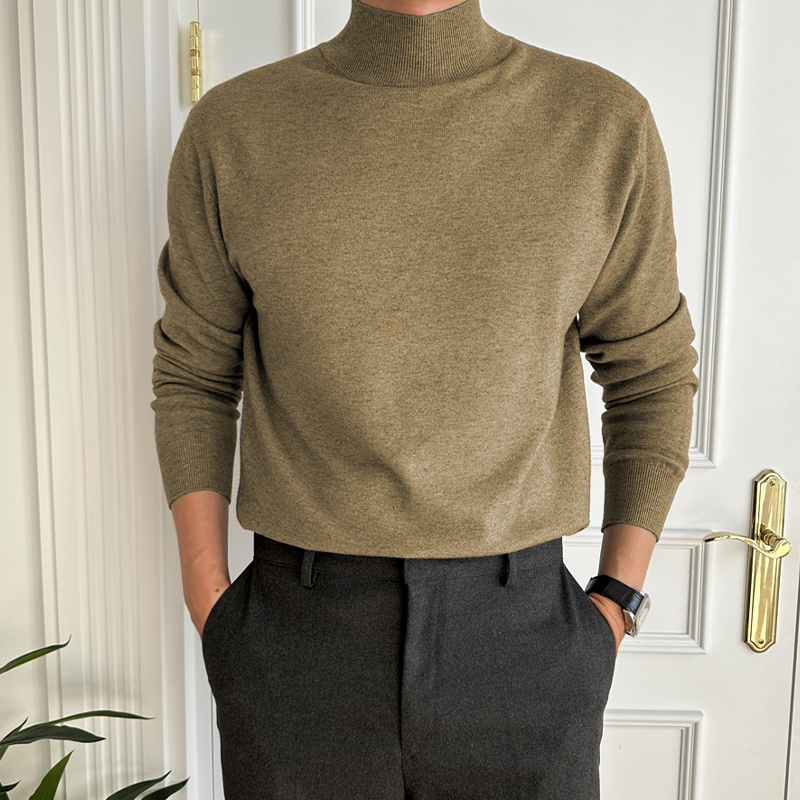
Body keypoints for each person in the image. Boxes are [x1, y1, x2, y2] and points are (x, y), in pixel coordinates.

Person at [151, 0, 699, 796]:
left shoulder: (601, 122)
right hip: (297, 639)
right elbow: (194, 371)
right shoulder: (234, 128)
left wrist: (616, 600)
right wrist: (212, 605)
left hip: (523, 640)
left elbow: (651, 373)